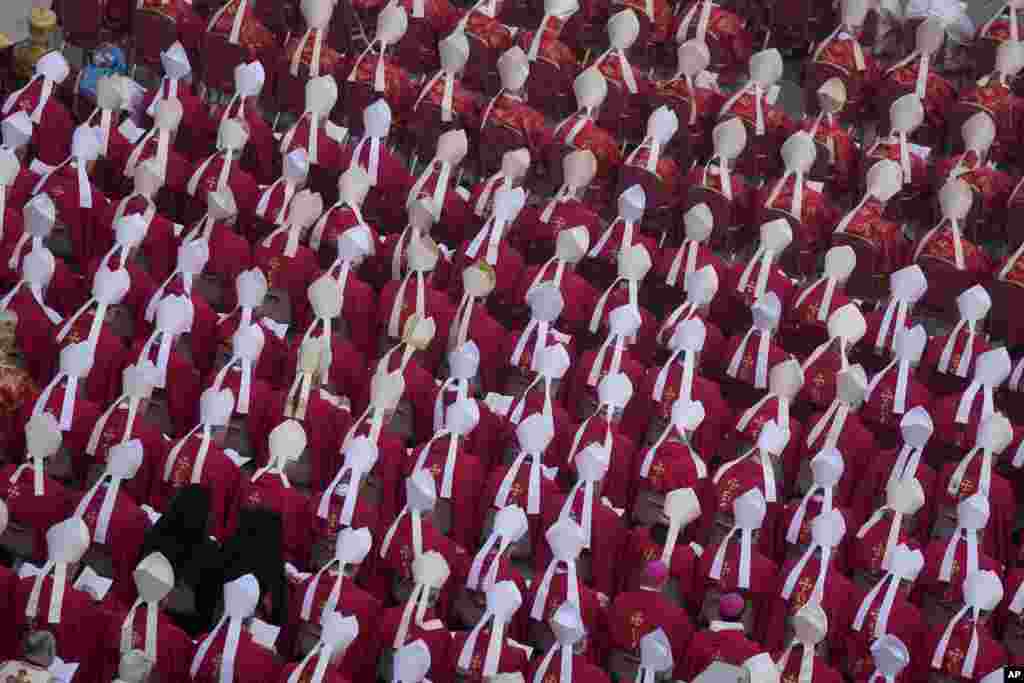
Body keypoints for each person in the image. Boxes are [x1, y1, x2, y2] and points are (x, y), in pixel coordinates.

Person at [137, 484, 224, 636]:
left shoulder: (156, 535)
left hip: (143, 620)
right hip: (181, 633)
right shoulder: (210, 553)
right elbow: (207, 609)